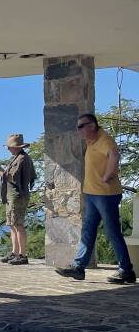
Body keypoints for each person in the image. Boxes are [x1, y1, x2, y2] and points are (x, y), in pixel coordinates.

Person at [56, 114, 136, 284]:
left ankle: (126, 271)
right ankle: (78, 268)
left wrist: (107, 175)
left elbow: (114, 155)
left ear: (92, 126)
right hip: (92, 194)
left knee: (112, 232)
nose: (78, 130)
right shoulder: (91, 141)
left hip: (106, 195)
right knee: (88, 230)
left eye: (80, 127)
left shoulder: (105, 139)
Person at [0, 134, 36, 265]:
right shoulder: (18, 158)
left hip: (17, 196)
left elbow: (10, 177)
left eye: (10, 147)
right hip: (12, 196)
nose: (8, 149)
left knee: (18, 225)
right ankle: (15, 252)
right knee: (13, 225)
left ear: (17, 147)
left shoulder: (22, 159)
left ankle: (23, 255)